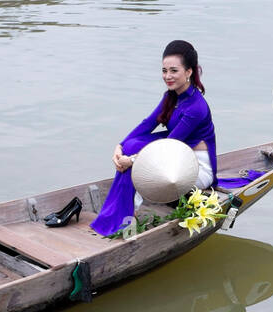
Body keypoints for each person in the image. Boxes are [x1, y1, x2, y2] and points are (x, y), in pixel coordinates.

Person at [90, 40, 217, 236]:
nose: (167, 76)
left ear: (189, 72)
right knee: (132, 144)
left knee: (132, 158)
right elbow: (147, 124)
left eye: (174, 70)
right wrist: (120, 146)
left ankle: (125, 217)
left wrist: (131, 160)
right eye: (164, 70)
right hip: (177, 155)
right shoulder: (171, 97)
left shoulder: (196, 107)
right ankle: (124, 212)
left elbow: (168, 147)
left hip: (196, 166)